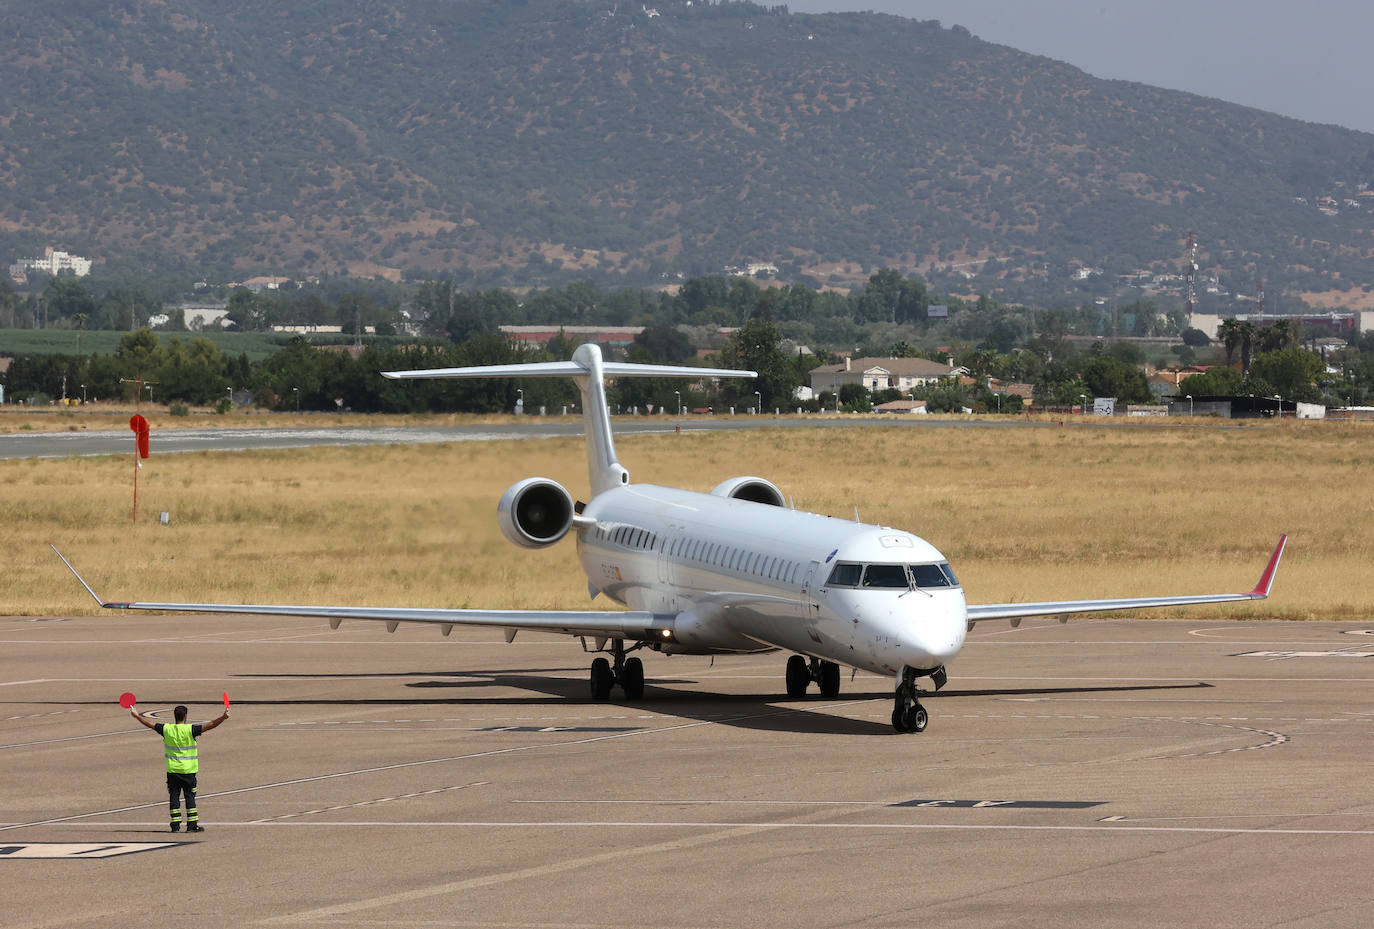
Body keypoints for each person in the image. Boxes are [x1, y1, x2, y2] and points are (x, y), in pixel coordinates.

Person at [131, 703, 229, 833]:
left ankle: (175, 825)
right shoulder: (190, 729)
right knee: (189, 796)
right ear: (186, 716)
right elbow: (210, 725)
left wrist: (137, 716)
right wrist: (223, 717)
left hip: (172, 771)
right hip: (188, 771)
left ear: (174, 716)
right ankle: (192, 825)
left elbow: (150, 724)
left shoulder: (167, 729)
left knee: (174, 796)